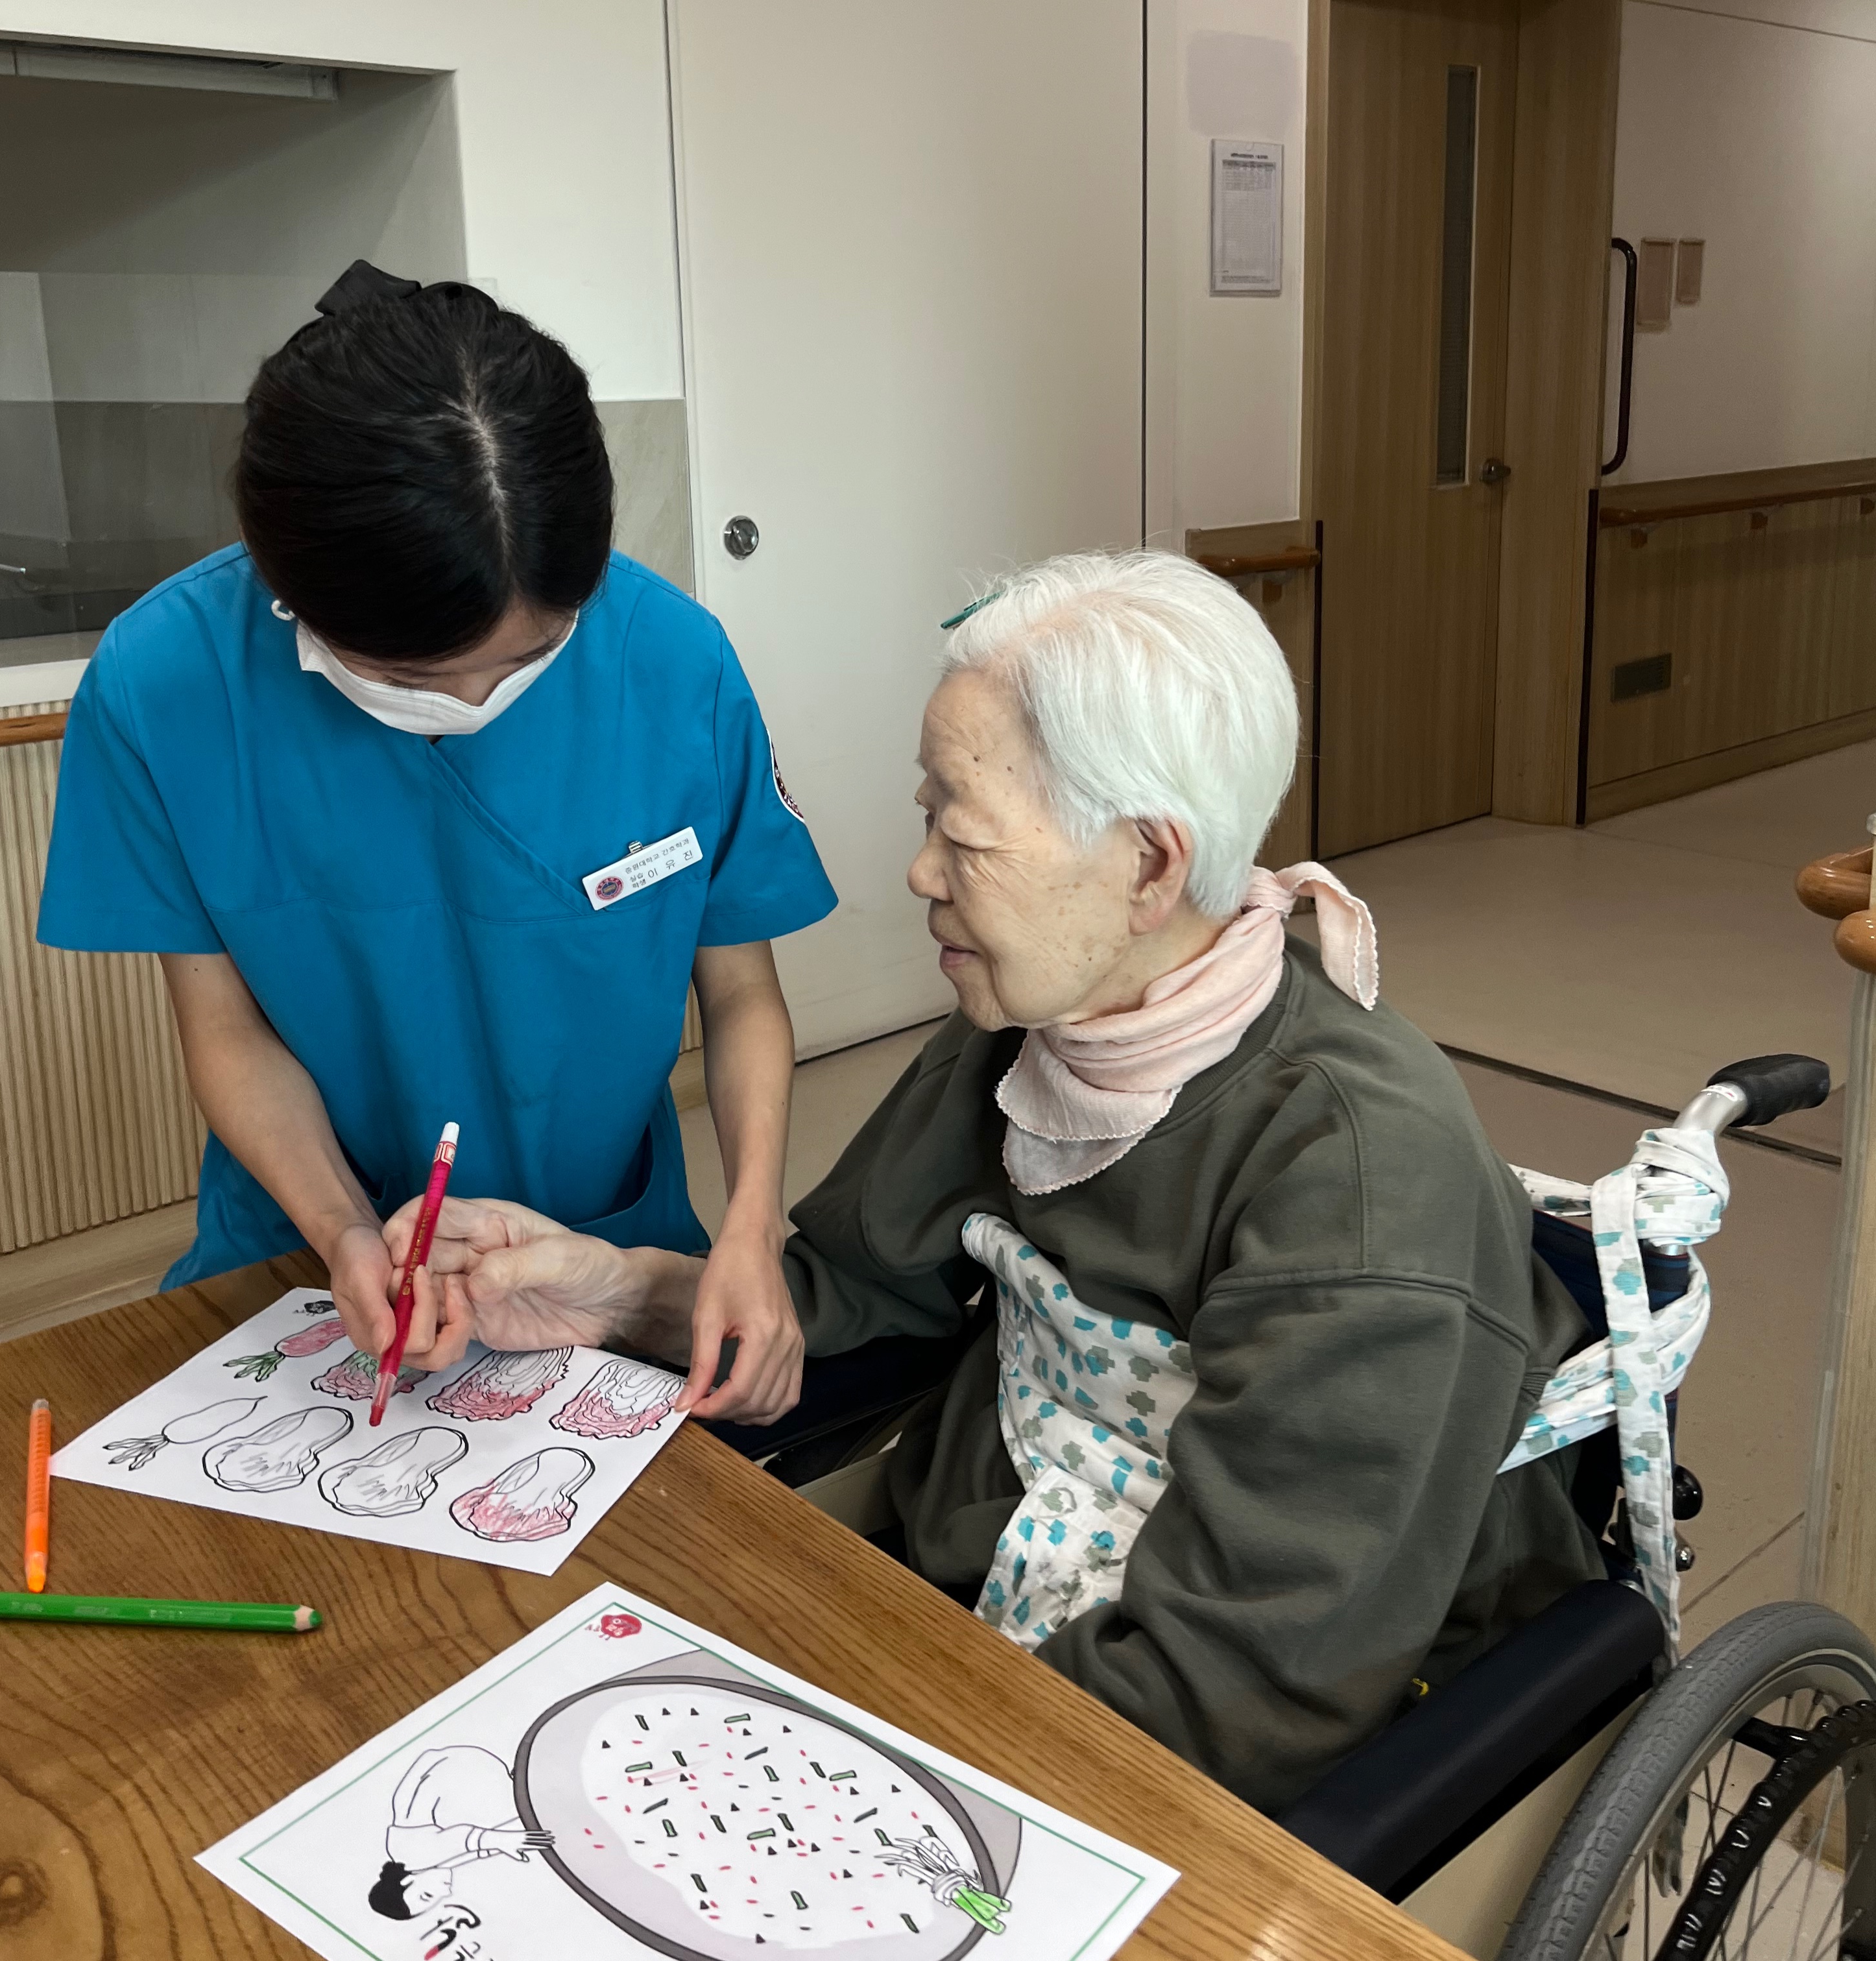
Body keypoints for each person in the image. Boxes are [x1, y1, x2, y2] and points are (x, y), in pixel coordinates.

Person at [391, 549, 1604, 1811]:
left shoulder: (1355, 1175)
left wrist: (880, 1779)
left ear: (1147, 865)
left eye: (960, 834)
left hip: (1193, 1726)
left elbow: (1243, 1686)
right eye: (928, 817)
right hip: (978, 1600)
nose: (920, 872)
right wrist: (619, 1288)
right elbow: (851, 1296)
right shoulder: (1025, 1023)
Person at [36, 262, 835, 1425]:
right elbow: (224, 1027)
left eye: (531, 656)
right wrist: (342, 1231)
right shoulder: (166, 684)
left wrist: (752, 1230)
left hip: (600, 1247)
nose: (473, 702)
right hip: (307, 1255)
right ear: (289, 588)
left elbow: (743, 991)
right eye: (413, 675)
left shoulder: (672, 661)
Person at [367, 1745, 551, 1921]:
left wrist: (501, 1840)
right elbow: (478, 1849)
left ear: (407, 1881)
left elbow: (463, 1839)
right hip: (471, 1771)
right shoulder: (433, 1863)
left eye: (428, 1895)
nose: (446, 1892)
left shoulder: (407, 1854)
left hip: (460, 1772)